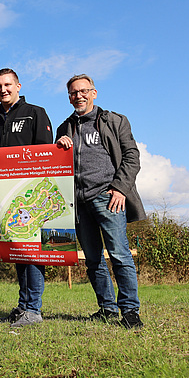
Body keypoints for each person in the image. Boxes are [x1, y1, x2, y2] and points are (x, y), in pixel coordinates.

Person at [55, 74, 145, 329]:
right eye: (73, 93)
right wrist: (58, 145)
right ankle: (107, 308)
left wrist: (119, 189)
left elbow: (132, 157)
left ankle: (130, 311)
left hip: (108, 198)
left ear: (94, 93)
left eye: (84, 91)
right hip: (78, 203)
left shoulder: (115, 121)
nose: (79, 96)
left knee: (119, 255)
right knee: (93, 259)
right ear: (69, 97)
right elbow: (57, 165)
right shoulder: (65, 128)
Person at [0, 68, 53, 328]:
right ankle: (23, 306)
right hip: (7, 196)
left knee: (34, 253)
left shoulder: (35, 113)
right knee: (18, 251)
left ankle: (34, 309)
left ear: (18, 86)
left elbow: (47, 152)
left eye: (8, 85)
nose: (3, 90)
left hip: (32, 194)